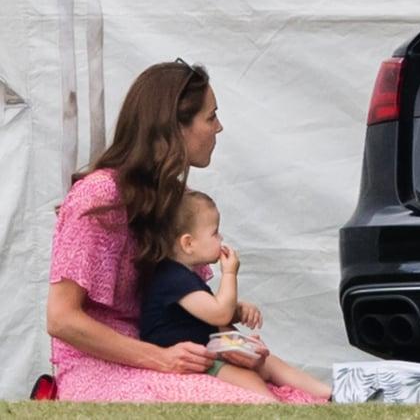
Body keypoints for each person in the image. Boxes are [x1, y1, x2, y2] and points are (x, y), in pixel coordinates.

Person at [46, 60, 324, 403]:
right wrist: (159, 359)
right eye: (210, 117)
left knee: (293, 397)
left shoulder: (172, 200)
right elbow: (61, 320)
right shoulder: (98, 195)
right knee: (253, 403)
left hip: (171, 354)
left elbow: (194, 311)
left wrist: (232, 345)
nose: (218, 128)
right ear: (173, 128)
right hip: (100, 368)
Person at [140, 189, 331, 400]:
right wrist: (230, 273)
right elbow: (219, 314)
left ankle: (330, 394)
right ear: (188, 243)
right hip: (189, 362)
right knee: (247, 378)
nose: (221, 238)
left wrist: (239, 319)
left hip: (208, 350)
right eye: (215, 233)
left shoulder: (183, 275)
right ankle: (275, 406)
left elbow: (209, 314)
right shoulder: (172, 277)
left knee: (270, 363)